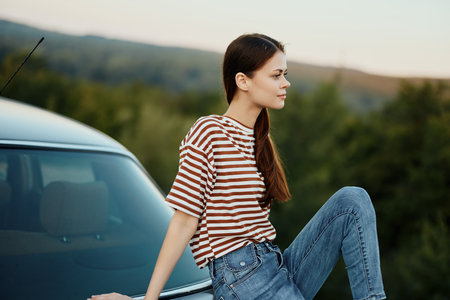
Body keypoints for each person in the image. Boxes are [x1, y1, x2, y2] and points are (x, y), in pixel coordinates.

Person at [88, 33, 386, 300]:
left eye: (285, 74)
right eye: (276, 75)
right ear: (243, 81)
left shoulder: (261, 140)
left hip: (275, 264)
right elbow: (183, 221)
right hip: (242, 276)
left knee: (352, 200)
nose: (286, 83)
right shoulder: (209, 131)